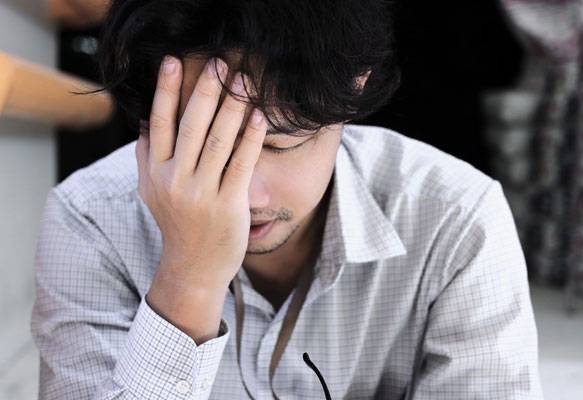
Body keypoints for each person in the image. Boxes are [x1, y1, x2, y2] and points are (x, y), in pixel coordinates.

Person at [30, 0, 543, 399]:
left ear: (353, 89)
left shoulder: (457, 219)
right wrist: (189, 276)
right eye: (199, 146)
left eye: (278, 146)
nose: (241, 197)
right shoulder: (90, 218)